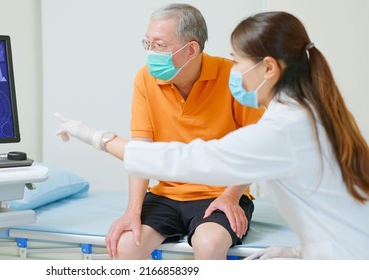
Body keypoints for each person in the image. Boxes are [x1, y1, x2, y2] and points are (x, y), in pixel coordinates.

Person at [56, 11, 369, 259]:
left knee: (208, 241)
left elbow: (194, 159)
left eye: (237, 61)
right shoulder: (303, 111)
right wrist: (301, 254)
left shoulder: (284, 128)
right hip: (342, 250)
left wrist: (96, 137)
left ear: (269, 68)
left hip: (349, 257)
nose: (233, 70)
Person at [60, 3, 264, 260]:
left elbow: (255, 148)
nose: (151, 53)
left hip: (220, 194)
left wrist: (232, 196)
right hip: (167, 195)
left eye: (159, 45)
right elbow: (141, 151)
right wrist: (132, 210)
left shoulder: (233, 78)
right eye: (148, 44)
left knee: (209, 243)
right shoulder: (145, 79)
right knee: (125, 246)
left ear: (191, 49)